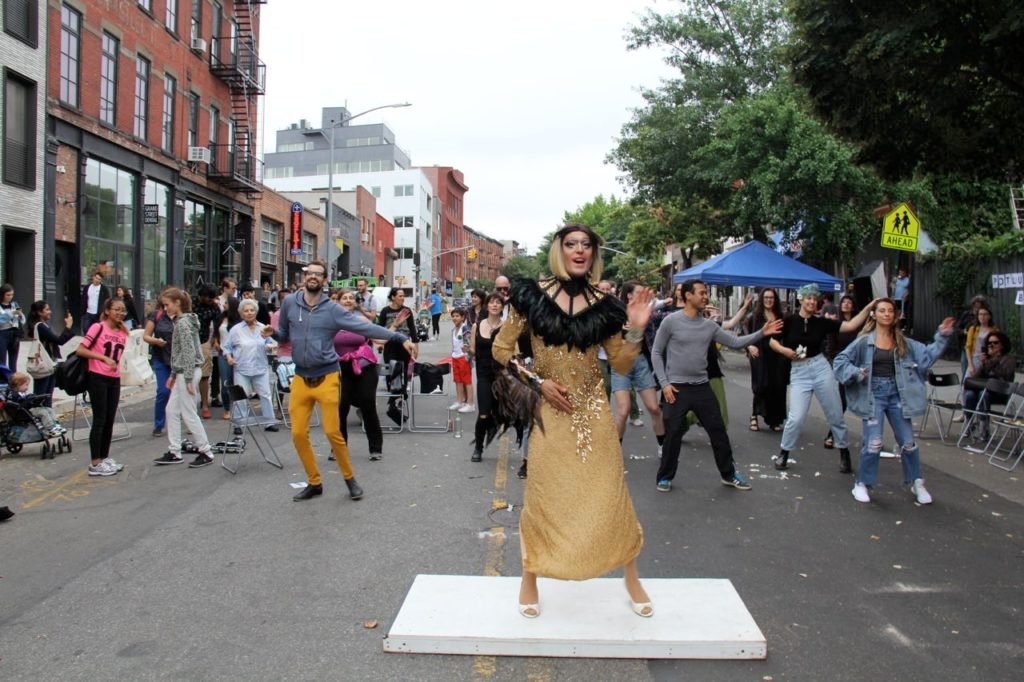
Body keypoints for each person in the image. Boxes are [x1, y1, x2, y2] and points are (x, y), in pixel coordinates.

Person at [491, 223, 656, 619]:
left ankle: (631, 576)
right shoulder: (530, 296)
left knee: (610, 494)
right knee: (545, 497)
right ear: (559, 250)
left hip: (594, 414)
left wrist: (635, 328)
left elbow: (619, 363)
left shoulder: (606, 303)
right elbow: (500, 350)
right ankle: (530, 577)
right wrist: (537, 381)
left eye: (586, 245)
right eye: (572, 244)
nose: (580, 251)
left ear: (593, 253)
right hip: (551, 414)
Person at [263, 261, 417, 502]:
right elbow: (283, 335)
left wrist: (399, 337)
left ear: (324, 280)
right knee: (298, 434)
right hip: (302, 377)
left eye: (318, 274)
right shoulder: (291, 303)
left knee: (333, 431)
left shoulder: (332, 310)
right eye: (309, 273)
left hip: (328, 375)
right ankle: (314, 482)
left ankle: (349, 479)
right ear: (305, 277)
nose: (312, 277)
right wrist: (273, 334)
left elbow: (366, 328)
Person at [651, 279, 780, 494]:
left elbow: (735, 343)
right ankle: (664, 477)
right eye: (701, 293)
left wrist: (761, 334)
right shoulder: (671, 322)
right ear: (688, 296)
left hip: (702, 387)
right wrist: (664, 384)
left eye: (706, 293)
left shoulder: (709, 326)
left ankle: (729, 474)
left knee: (718, 431)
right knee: (672, 434)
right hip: (675, 388)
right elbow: (656, 352)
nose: (705, 296)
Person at [834, 299, 953, 504]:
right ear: (874, 315)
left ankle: (917, 482)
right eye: (882, 311)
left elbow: (927, 357)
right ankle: (862, 483)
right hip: (873, 395)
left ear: (895, 315)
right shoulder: (863, 341)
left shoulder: (903, 342)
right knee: (874, 443)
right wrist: (856, 372)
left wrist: (942, 335)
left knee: (908, 443)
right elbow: (840, 361)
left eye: (890, 311)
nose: (887, 314)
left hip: (898, 395)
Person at [769, 284, 877, 473]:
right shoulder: (788, 320)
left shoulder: (821, 322)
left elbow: (850, 325)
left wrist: (868, 308)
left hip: (820, 368)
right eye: (808, 298)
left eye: (814, 298)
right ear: (800, 299)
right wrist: (784, 350)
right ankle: (784, 453)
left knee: (835, 413)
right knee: (796, 417)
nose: (812, 301)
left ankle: (844, 452)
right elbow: (772, 340)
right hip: (798, 371)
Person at [152, 288, 215, 468]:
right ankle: (174, 451)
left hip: (187, 372)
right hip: (185, 371)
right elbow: (182, 353)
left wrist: (186, 378)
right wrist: (174, 374)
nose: (165, 309)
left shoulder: (182, 324)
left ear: (177, 303)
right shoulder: (186, 321)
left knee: (188, 412)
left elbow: (187, 352)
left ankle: (205, 451)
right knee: (172, 410)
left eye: (167, 305)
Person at [75, 297, 129, 477]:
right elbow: (81, 350)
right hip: (97, 376)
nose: (120, 313)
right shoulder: (98, 327)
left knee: (109, 419)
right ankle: (95, 462)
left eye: (123, 310)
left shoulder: (123, 332)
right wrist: (102, 358)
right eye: (116, 309)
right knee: (99, 420)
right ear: (107, 311)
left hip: (114, 378)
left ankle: (105, 457)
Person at [610, 281, 664, 449]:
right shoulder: (615, 313)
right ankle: (616, 451)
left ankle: (663, 446)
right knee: (624, 411)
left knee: (654, 408)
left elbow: (662, 313)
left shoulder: (647, 313)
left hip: (641, 361)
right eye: (639, 292)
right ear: (629, 295)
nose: (643, 296)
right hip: (621, 364)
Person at [333, 290, 384, 461]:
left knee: (368, 405)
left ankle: (376, 448)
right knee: (340, 407)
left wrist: (396, 328)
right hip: (340, 367)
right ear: (338, 302)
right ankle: (339, 448)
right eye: (344, 298)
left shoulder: (361, 320)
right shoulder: (331, 323)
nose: (347, 301)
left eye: (350, 298)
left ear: (355, 302)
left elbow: (380, 340)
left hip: (364, 367)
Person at [222, 299, 279, 432]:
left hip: (260, 366)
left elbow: (271, 344)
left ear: (256, 312)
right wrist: (229, 358)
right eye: (246, 311)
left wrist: (270, 346)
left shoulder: (263, 327)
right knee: (241, 396)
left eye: (252, 310)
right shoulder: (236, 330)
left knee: (265, 394)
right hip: (242, 367)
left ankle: (269, 422)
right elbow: (227, 347)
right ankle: (239, 424)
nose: (249, 313)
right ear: (241, 313)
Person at [746, 288, 789, 432]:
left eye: (771, 298)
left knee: (776, 386)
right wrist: (749, 346)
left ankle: (774, 419)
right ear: (762, 300)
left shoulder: (780, 316)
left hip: (776, 355)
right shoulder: (755, 316)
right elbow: (745, 335)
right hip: (759, 353)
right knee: (760, 385)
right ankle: (754, 415)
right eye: (766, 298)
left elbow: (785, 336)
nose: (769, 300)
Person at [469, 293, 505, 462]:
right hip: (483, 373)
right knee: (484, 413)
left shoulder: (506, 328)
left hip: (501, 376)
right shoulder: (478, 325)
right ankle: (478, 448)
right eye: (492, 302)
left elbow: (514, 350)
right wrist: (466, 350)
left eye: (498, 303)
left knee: (497, 412)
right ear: (487, 306)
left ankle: (493, 425)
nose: (495, 305)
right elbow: (472, 350)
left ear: (502, 307)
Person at [822, 294, 862, 448]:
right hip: (842, 363)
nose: (845, 304)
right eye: (843, 302)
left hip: (858, 364)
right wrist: (834, 361)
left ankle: (873, 437)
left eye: (849, 302)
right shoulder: (836, 323)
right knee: (841, 402)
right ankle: (832, 434)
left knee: (867, 402)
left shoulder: (859, 323)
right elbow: (831, 344)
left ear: (853, 305)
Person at [960, 330, 1016, 438]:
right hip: (985, 389)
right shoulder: (987, 359)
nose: (992, 345)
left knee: (983, 394)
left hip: (1000, 392)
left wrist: (993, 360)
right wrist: (983, 364)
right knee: (970, 394)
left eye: (995, 343)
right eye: (990, 343)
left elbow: (1005, 375)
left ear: (1002, 345)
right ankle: (968, 424)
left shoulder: (1009, 359)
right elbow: (976, 377)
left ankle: (983, 427)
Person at [377, 287, 419, 425]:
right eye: (400, 296)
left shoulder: (407, 311)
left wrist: (416, 344)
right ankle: (393, 396)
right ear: (393, 297)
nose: (402, 298)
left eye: (403, 296)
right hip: (390, 344)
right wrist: (380, 343)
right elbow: (379, 328)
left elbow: (412, 328)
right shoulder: (385, 311)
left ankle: (399, 399)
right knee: (393, 370)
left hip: (405, 344)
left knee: (404, 371)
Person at [25, 301, 75, 406]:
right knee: (42, 395)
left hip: (49, 363)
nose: (50, 312)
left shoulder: (43, 325)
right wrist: (68, 327)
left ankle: (47, 416)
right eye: (47, 310)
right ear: (39, 312)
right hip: (44, 363)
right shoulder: (40, 326)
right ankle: (41, 416)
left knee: (47, 395)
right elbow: (59, 340)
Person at [143, 294, 174, 437]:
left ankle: (182, 422)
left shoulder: (182, 317)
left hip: (177, 360)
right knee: (163, 391)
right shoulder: (157, 315)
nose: (167, 307)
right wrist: (156, 341)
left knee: (182, 393)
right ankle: (159, 424)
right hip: (161, 358)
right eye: (165, 304)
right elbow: (146, 335)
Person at [5, 372, 66, 440]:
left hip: (28, 409)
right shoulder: (14, 395)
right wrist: (29, 399)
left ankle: (56, 424)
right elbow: (21, 402)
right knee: (43, 412)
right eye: (26, 385)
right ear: (18, 385)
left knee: (49, 409)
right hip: (24, 411)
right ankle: (50, 428)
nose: (27, 387)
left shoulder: (21, 393)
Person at [193, 285, 221, 419]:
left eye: (213, 298)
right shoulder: (192, 303)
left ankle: (204, 404)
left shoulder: (214, 308)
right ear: (202, 296)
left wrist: (212, 341)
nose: (211, 300)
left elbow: (217, 326)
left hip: (203, 341)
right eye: (208, 298)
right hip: (188, 341)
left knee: (204, 374)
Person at [213, 297, 242, 423]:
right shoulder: (220, 318)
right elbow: (216, 332)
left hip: (237, 354)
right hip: (222, 354)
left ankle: (239, 408)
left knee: (237, 383)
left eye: (226, 303)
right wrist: (215, 342)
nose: (224, 304)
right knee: (225, 382)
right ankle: (227, 408)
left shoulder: (239, 321)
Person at [448, 307, 475, 413]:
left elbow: (468, 344)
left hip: (463, 357)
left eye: (457, 316)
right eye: (453, 316)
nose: (455, 318)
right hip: (455, 357)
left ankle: (470, 403)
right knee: (457, 380)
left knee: (467, 381)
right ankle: (460, 401)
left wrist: (468, 354)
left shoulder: (465, 328)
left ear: (463, 317)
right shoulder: (453, 329)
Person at [955, 295, 987, 380]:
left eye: (979, 307)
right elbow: (957, 328)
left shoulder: (984, 317)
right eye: (975, 306)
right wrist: (964, 332)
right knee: (966, 370)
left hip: (979, 348)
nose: (977, 309)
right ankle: (964, 388)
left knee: (979, 371)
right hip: (966, 347)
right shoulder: (966, 315)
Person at [964, 302, 997, 379]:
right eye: (980, 314)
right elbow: (968, 347)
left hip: (988, 359)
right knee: (968, 381)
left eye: (985, 314)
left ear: (989, 316)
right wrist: (970, 364)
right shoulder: (973, 329)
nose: (982, 317)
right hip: (975, 358)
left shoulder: (994, 330)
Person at [0, 284, 26, 371]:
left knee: (13, 360)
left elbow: (22, 320)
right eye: (8, 295)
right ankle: (2, 381)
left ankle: (14, 380)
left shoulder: (14, 304)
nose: (10, 297)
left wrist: (20, 315)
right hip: (2, 333)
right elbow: (1, 320)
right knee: (2, 360)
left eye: (12, 295)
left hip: (14, 334)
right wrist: (11, 314)